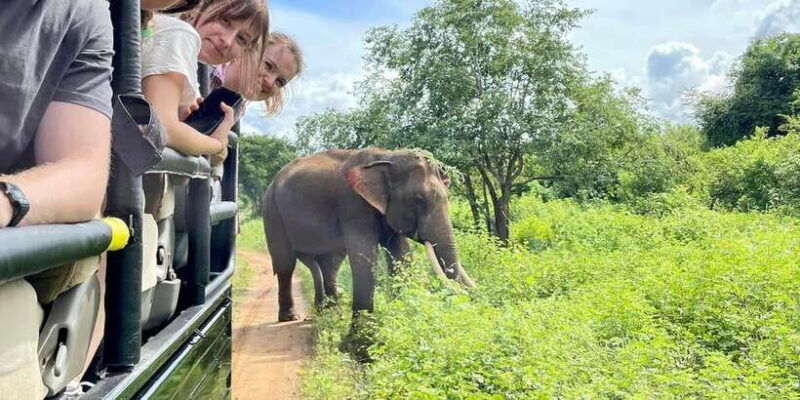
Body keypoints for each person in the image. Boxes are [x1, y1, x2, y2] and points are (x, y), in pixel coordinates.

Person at [0, 0, 114, 397]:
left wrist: (6, 198)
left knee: (103, 236)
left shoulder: (85, 13)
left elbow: (84, 172)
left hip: (13, 223)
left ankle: (72, 380)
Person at [141, 0, 269, 161]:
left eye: (241, 39)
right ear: (199, 7)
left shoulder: (187, 60)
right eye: (225, 21)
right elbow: (160, 129)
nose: (228, 41)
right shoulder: (182, 34)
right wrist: (217, 143)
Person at [215, 32, 303, 116]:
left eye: (280, 82)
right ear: (247, 50)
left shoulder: (237, 108)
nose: (270, 82)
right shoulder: (206, 72)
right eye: (268, 66)